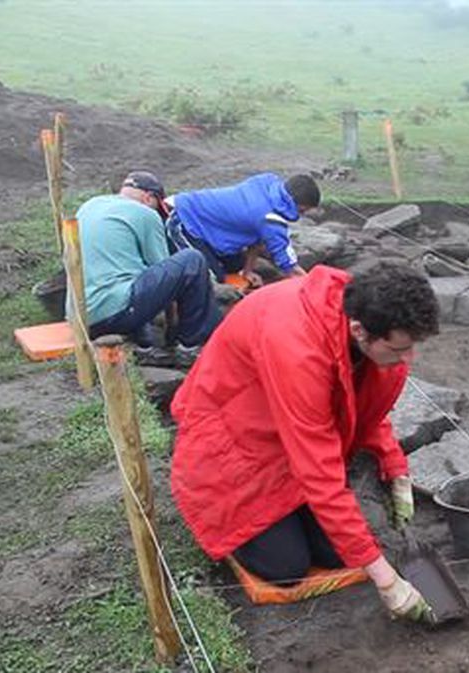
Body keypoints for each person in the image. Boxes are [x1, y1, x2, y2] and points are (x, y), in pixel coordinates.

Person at [169, 262, 441, 622]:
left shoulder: (362, 313)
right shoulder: (297, 347)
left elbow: (365, 404)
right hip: (235, 439)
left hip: (291, 432)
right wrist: (386, 580)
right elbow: (318, 469)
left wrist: (396, 469)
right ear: (360, 331)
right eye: (400, 348)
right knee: (286, 566)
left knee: (336, 553)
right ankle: (228, 523)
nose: (409, 359)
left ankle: (288, 510)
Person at [75, 170, 220, 364]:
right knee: (192, 260)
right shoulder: (144, 213)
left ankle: (142, 344)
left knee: (126, 281)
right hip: (116, 311)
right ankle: (193, 346)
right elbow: (166, 278)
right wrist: (172, 330)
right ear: (149, 198)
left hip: (81, 316)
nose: (157, 216)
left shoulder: (90, 206)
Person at [165, 173, 320, 287]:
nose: (301, 216)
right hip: (183, 218)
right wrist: (316, 289)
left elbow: (258, 238)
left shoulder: (268, 183)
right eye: (302, 211)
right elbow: (290, 268)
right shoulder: (269, 219)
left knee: (236, 264)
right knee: (211, 280)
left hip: (209, 226)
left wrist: (247, 271)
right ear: (293, 202)